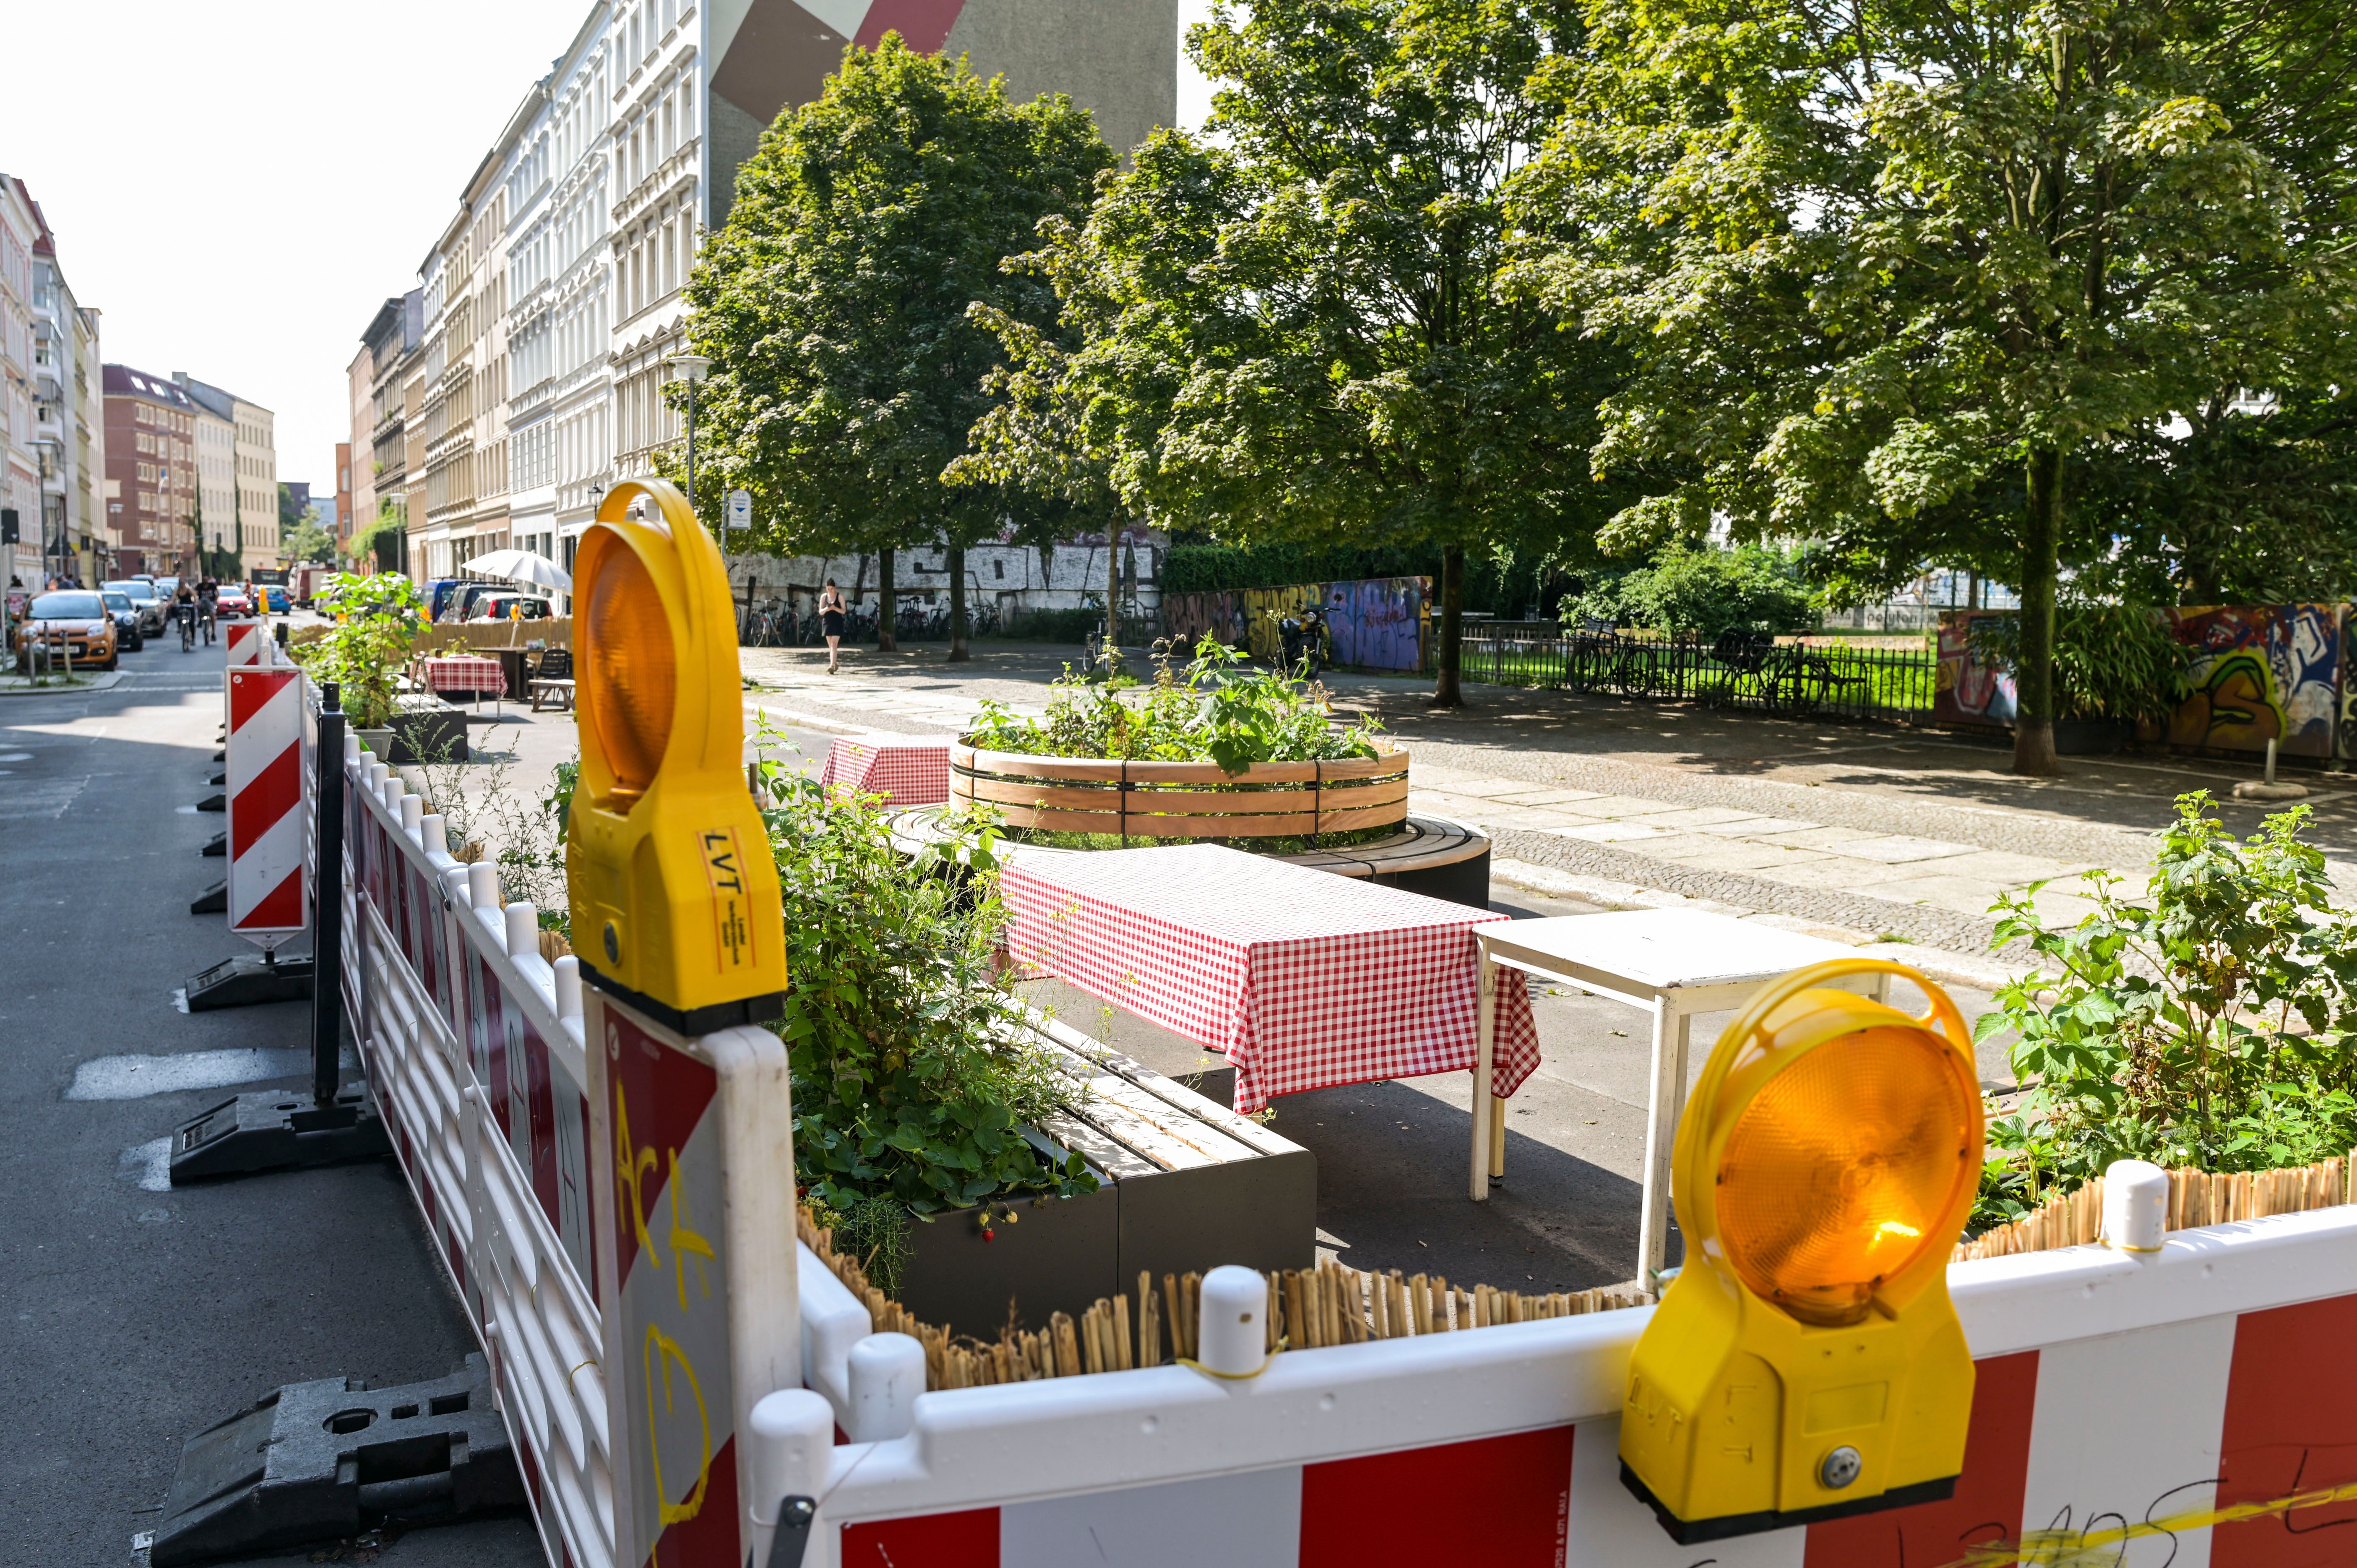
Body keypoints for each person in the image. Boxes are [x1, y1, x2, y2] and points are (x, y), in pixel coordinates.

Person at [818, 578, 846, 674]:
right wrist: (827, 609)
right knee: (831, 646)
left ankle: (832, 665)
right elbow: (821, 612)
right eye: (828, 589)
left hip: (837, 622)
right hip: (827, 622)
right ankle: (835, 663)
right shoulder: (824, 597)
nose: (830, 591)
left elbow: (844, 611)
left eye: (832, 589)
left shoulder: (840, 597)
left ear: (835, 588)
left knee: (834, 644)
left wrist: (835, 608)